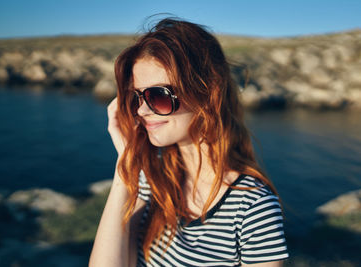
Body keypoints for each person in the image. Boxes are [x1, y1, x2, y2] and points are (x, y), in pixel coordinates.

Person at [89, 18, 288, 267]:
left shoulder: (252, 208)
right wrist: (125, 165)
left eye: (158, 96)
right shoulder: (153, 180)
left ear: (207, 94)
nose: (141, 111)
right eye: (136, 97)